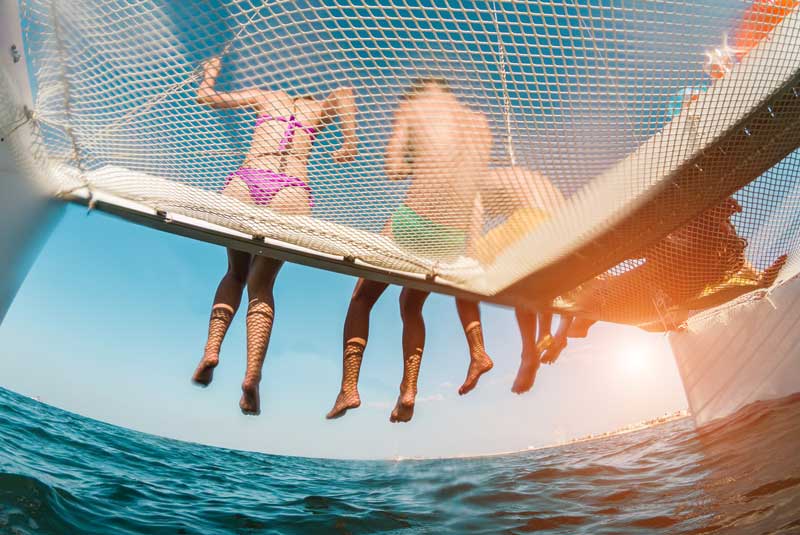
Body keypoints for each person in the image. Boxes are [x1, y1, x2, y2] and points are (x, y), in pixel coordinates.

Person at [190, 57, 358, 415]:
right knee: (261, 285)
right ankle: (252, 375)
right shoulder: (316, 110)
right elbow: (345, 93)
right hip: (291, 191)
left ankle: (211, 350)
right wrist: (350, 141)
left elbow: (206, 97)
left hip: (248, 180)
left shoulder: (266, 97)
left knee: (235, 273)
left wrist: (211, 69)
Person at [326, 78, 492, 422]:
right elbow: (474, 183)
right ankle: (413, 388)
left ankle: (348, 388)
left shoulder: (411, 107)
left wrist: (418, 161)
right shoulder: (479, 122)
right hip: (452, 238)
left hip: (414, 226)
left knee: (362, 298)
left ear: (417, 90)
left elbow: (393, 169)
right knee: (411, 303)